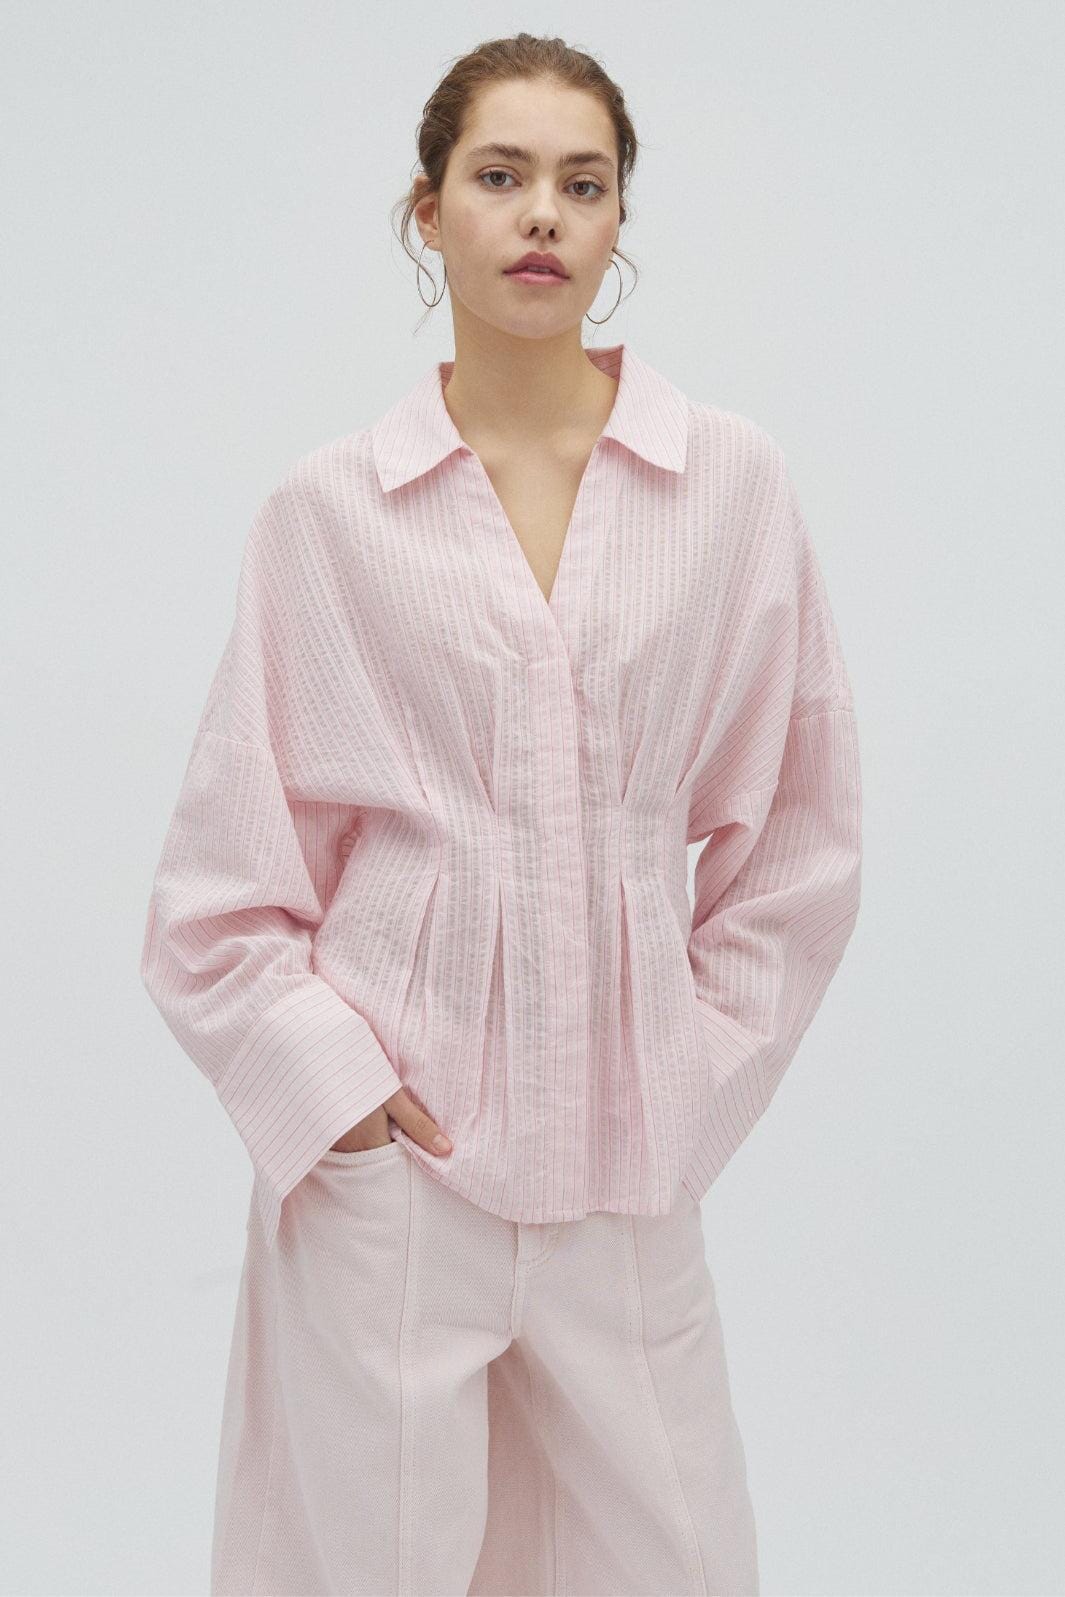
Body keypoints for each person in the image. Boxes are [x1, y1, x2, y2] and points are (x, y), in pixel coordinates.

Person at [140, 32, 862, 1597]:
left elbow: (797, 839)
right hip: (398, 1178)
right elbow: (220, 890)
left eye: (582, 183)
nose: (542, 212)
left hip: (626, 1176)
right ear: (429, 210)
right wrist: (336, 1099)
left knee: (677, 1559)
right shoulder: (329, 512)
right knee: (371, 1570)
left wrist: (690, 1069)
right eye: (500, 174)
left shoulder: (728, 485)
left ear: (617, 222)